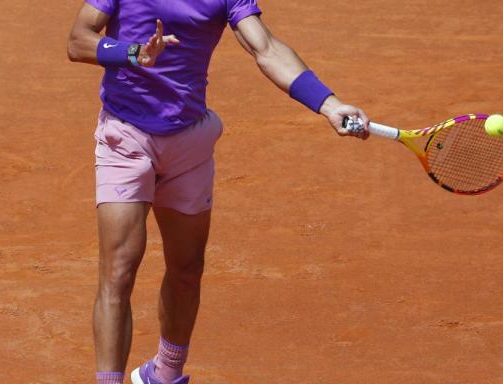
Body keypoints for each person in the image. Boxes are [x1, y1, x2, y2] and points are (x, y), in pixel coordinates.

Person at [67, 1, 369, 383]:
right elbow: (78, 40)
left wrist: (328, 103)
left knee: (187, 268)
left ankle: (165, 374)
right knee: (119, 271)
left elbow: (266, 48)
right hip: (126, 136)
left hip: (189, 142)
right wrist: (132, 52)